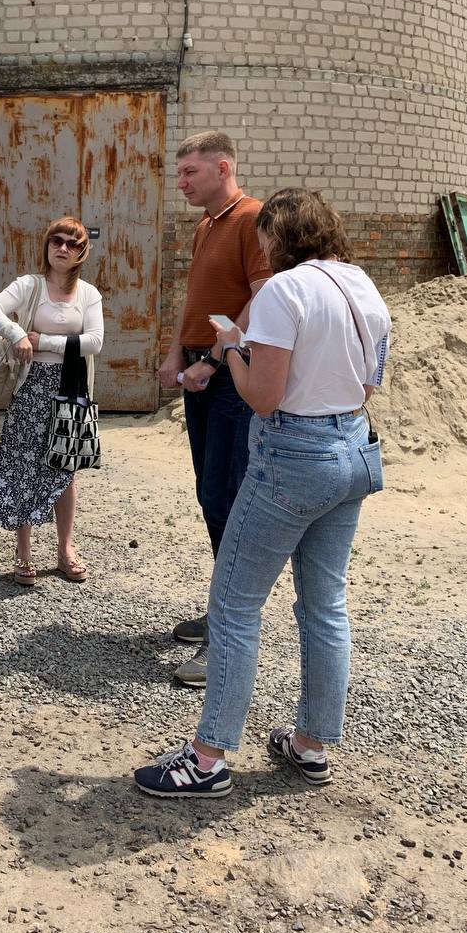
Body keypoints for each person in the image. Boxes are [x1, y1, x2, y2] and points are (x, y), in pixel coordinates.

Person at [135, 188, 391, 799]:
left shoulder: (283, 290)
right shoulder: (363, 286)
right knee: (325, 605)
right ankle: (312, 743)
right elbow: (369, 383)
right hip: (353, 447)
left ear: (278, 236)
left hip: (293, 455)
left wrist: (230, 347)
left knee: (233, 605)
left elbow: (263, 397)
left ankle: (207, 758)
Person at [157, 131, 271, 687]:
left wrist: (216, 359)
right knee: (210, 494)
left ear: (223, 168)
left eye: (190, 173)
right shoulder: (206, 224)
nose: (181, 183)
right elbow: (196, 299)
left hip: (229, 376)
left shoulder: (252, 219)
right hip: (201, 371)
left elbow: (263, 294)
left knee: (227, 496)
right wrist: (177, 350)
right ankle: (222, 609)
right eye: (179, 173)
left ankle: (228, 632)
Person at [0, 217, 104, 584]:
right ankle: (23, 553)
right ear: (47, 245)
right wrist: (17, 333)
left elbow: (95, 341)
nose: (62, 248)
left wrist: (45, 341)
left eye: (72, 243)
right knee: (25, 466)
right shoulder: (29, 285)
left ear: (82, 252)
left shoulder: (88, 294)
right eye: (56, 241)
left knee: (65, 469)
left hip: (71, 388)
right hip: (31, 387)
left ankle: (65, 550)